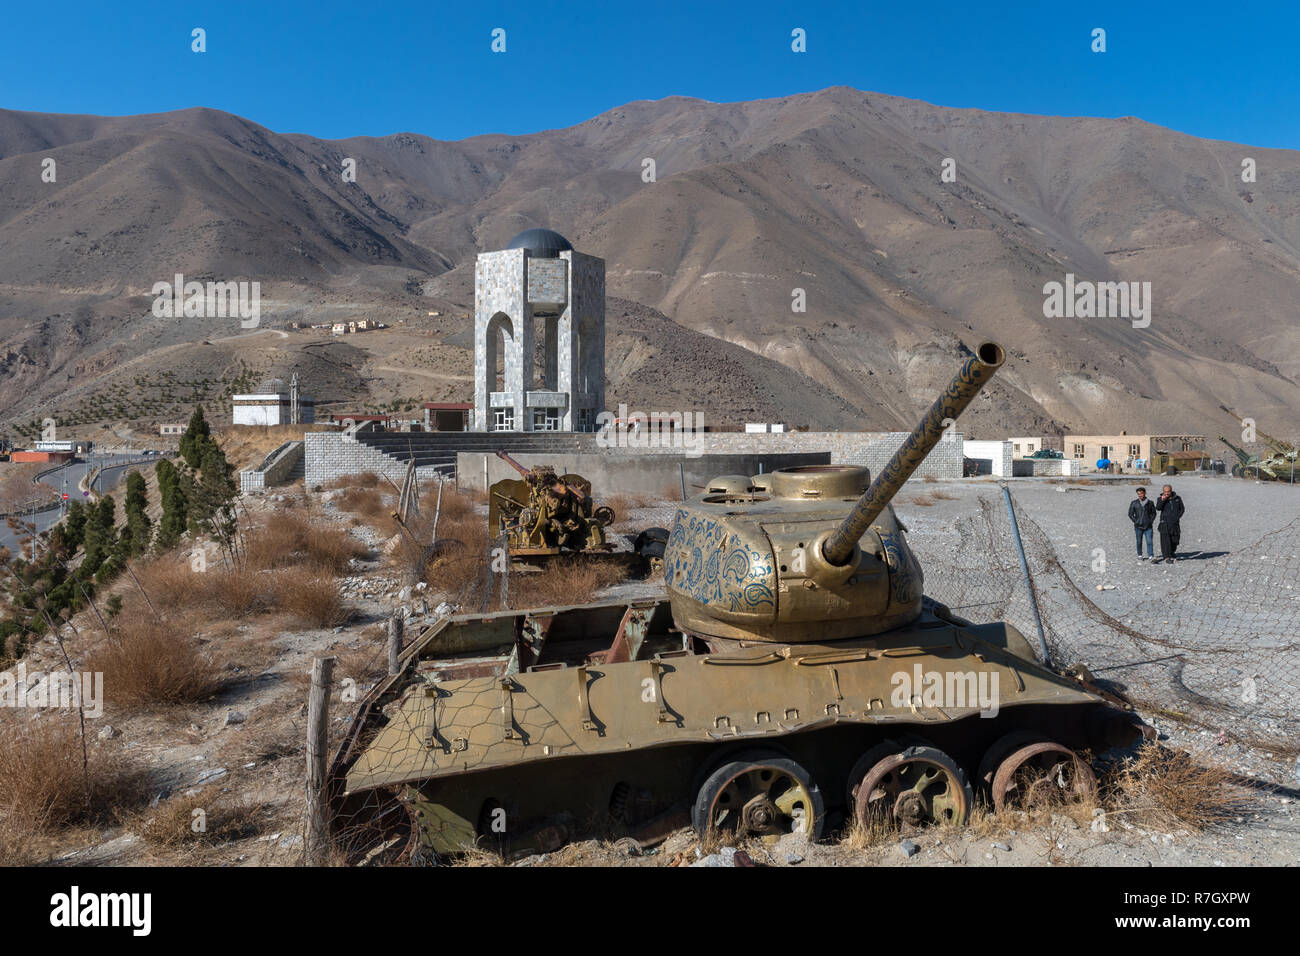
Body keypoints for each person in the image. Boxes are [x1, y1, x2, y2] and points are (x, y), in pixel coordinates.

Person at [1155, 484, 1185, 563]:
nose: (1166, 493)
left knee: (1175, 540)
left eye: (1168, 492)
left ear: (1171, 491)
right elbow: (1158, 508)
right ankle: (1167, 557)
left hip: (1175, 523)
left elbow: (1182, 509)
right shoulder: (1160, 498)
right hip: (1164, 523)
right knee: (1165, 541)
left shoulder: (1177, 499)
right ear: (1163, 491)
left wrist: (1177, 517)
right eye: (1165, 491)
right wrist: (1163, 500)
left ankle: (1172, 552)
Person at [1128, 486, 1155, 560]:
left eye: (1141, 493)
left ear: (1145, 493)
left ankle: (1151, 555)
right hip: (1138, 526)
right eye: (1138, 494)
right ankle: (1140, 554)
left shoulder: (1150, 503)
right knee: (1139, 541)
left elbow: (1154, 513)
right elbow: (1130, 514)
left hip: (1148, 526)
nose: (1140, 495)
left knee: (1149, 541)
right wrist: (1135, 521)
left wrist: (1150, 521)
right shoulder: (1134, 503)